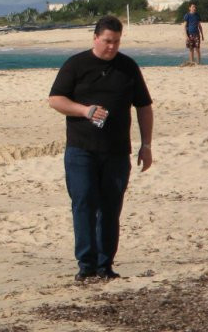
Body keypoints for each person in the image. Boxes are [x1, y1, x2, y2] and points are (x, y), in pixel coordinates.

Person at [48, 15, 153, 283]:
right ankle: (86, 265)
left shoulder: (128, 67)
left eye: (116, 42)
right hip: (81, 150)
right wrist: (85, 110)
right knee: (83, 203)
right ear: (95, 38)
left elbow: (144, 106)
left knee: (110, 207)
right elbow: (55, 99)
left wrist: (146, 145)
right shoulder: (76, 64)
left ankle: (106, 265)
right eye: (107, 41)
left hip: (117, 151)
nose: (111, 47)